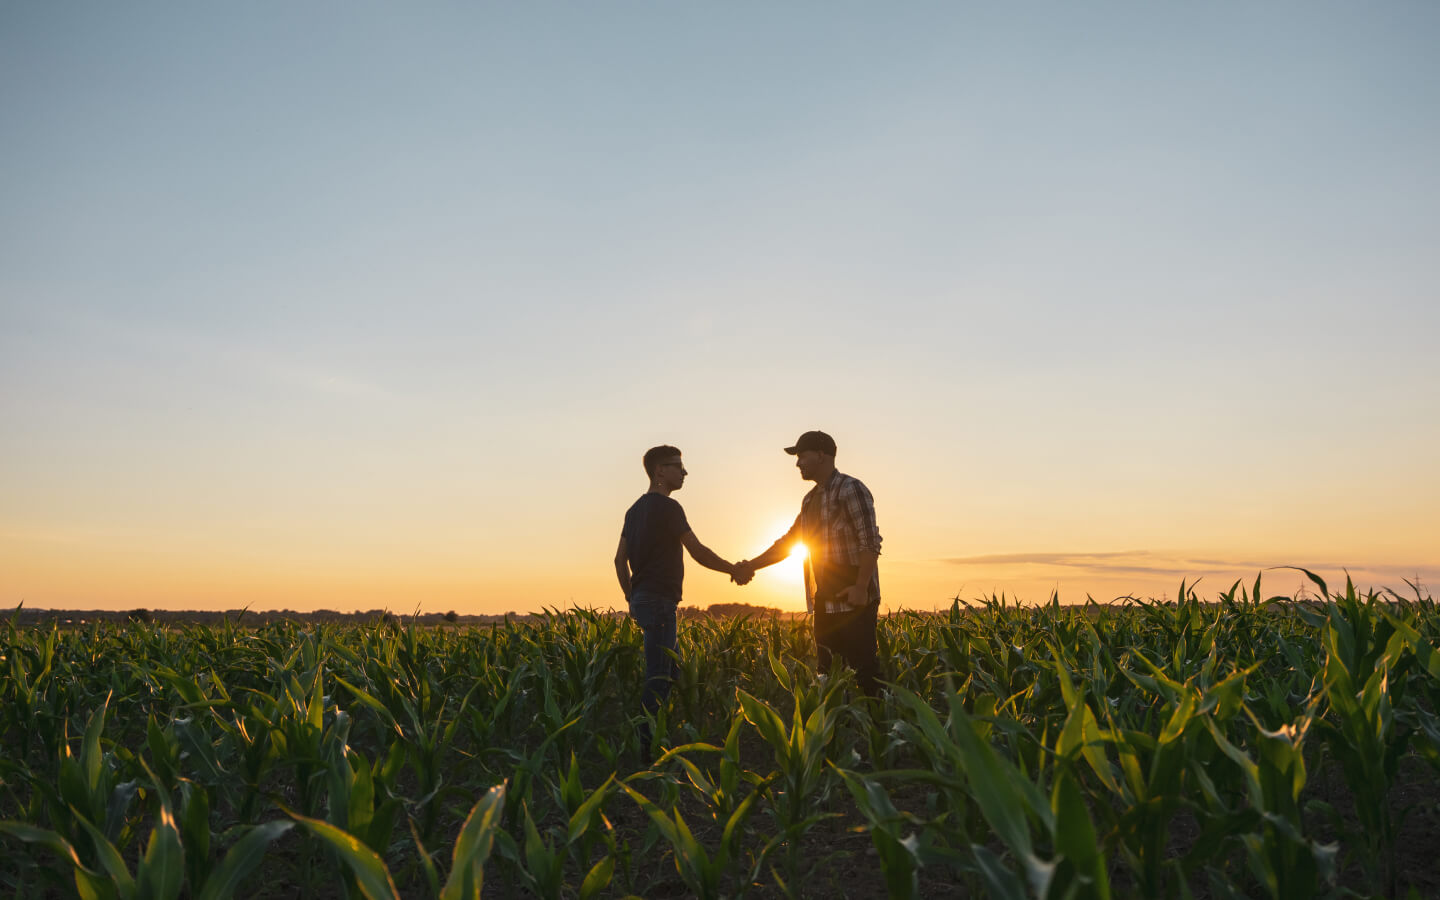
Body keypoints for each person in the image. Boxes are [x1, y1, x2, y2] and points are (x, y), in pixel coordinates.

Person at [614, 445, 750, 748]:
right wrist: (733, 569)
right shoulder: (669, 508)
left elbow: (618, 560)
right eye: (677, 466)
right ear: (659, 471)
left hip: (645, 601)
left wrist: (631, 598)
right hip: (660, 602)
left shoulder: (634, 510)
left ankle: (681, 728)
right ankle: (648, 749)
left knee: (674, 670)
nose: (684, 472)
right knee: (659, 676)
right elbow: (698, 551)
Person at [735, 431, 883, 695]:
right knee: (827, 676)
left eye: (802, 456)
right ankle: (837, 732)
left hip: (856, 601)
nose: (798, 463)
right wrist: (751, 566)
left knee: (865, 672)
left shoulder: (852, 489)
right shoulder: (810, 500)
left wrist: (861, 587)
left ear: (821, 455)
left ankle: (877, 730)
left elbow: (870, 542)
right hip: (825, 600)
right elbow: (790, 542)